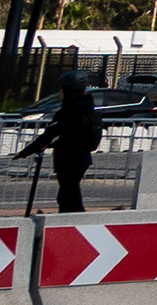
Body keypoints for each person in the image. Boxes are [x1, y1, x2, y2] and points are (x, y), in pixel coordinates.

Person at [16, 74, 102, 216]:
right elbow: (72, 133)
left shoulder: (67, 111)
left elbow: (49, 134)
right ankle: (74, 221)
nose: (59, 92)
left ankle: (75, 223)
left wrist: (25, 152)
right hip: (82, 158)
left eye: (61, 89)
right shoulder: (87, 107)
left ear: (68, 90)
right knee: (69, 194)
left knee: (68, 197)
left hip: (68, 159)